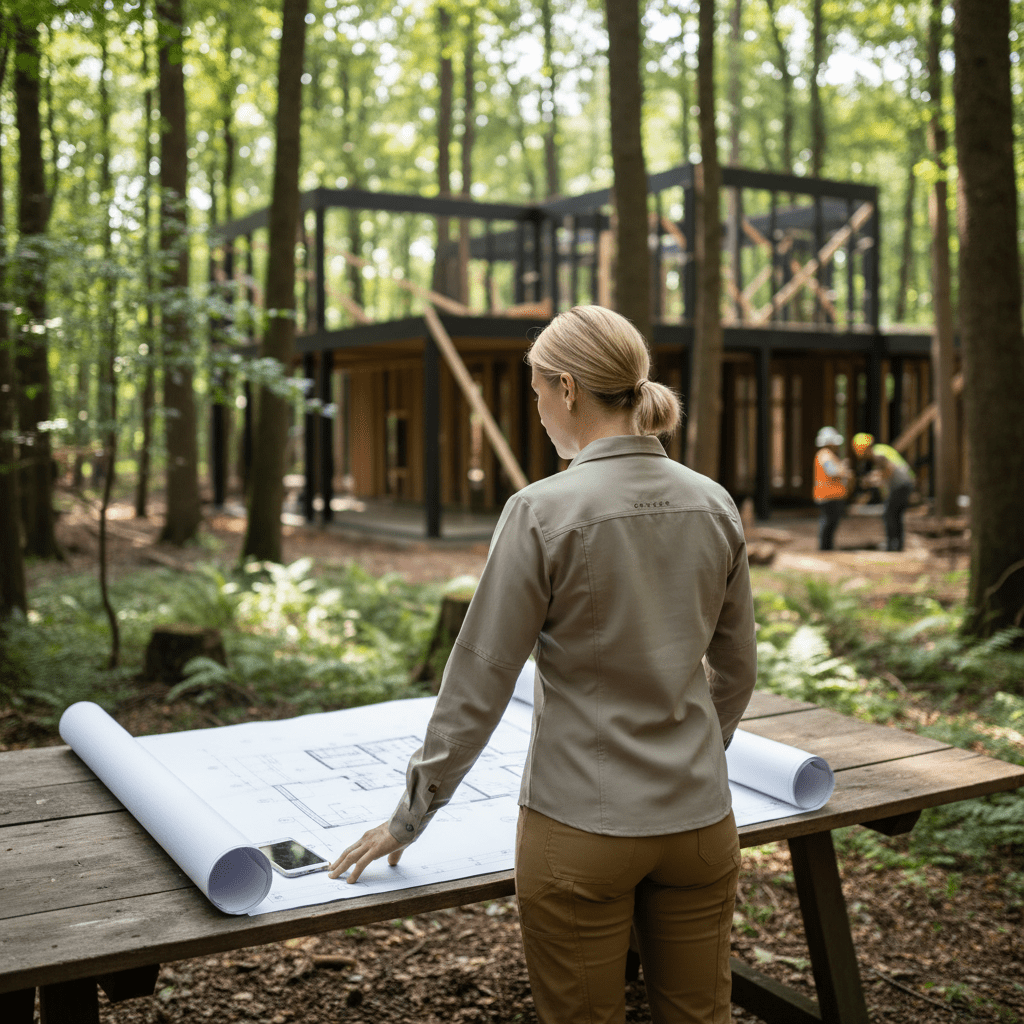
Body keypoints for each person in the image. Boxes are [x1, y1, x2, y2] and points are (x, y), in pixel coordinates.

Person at [328, 305, 757, 1024]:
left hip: (580, 832)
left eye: (534, 393)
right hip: (699, 828)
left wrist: (410, 817)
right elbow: (737, 670)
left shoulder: (540, 511)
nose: (537, 411)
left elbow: (478, 683)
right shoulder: (712, 503)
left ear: (567, 389)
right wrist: (688, 760)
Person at [852, 433, 915, 552]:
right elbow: (885, 471)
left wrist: (875, 480)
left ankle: (892, 545)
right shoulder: (880, 449)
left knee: (889, 514)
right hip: (906, 483)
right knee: (895, 515)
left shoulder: (877, 454)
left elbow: (889, 470)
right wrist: (876, 478)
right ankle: (898, 545)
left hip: (900, 485)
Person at [813, 426, 853, 551]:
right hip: (828, 496)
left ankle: (827, 548)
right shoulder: (825, 455)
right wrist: (845, 471)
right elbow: (831, 472)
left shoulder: (826, 455)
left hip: (830, 495)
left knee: (829, 524)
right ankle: (825, 549)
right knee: (828, 524)